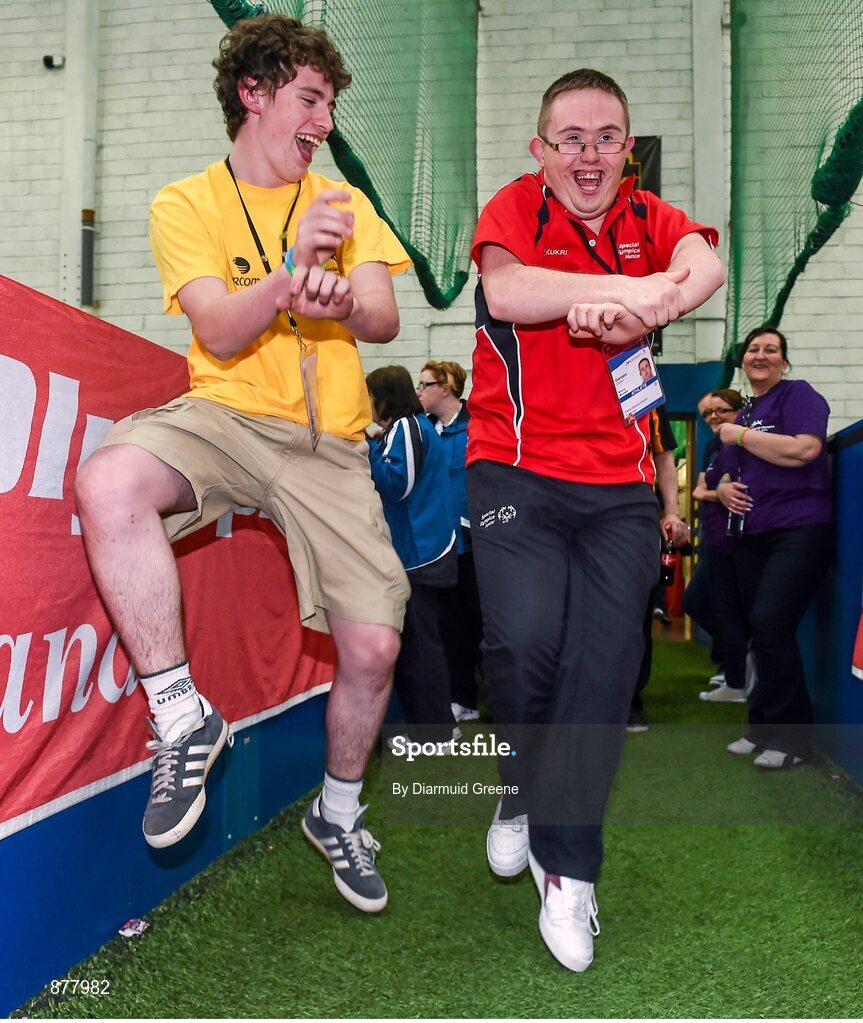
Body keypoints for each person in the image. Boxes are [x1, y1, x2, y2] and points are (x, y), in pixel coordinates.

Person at [73, 15, 412, 914]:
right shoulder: (183, 202)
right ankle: (180, 711)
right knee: (109, 479)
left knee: (375, 647)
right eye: (309, 99)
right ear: (253, 95)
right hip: (225, 416)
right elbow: (219, 327)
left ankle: (337, 813)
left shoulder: (343, 202)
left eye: (330, 105)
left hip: (330, 446)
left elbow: (383, 319)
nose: (323, 123)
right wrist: (288, 278)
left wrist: (336, 295)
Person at [468, 67, 724, 973]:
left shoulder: (650, 221)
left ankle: (569, 868)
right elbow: (506, 292)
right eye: (568, 137)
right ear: (540, 151)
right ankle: (518, 786)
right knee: (523, 645)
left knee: (605, 662)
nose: (587, 153)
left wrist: (652, 297)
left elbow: (705, 262)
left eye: (605, 136)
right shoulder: (513, 209)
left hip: (618, 487)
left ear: (628, 148)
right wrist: (595, 300)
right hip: (514, 468)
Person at [707, 327, 832, 768]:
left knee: (770, 623)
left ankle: (793, 741)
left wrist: (737, 436)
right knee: (761, 631)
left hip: (797, 529)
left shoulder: (797, 395)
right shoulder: (746, 412)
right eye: (753, 350)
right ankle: (763, 729)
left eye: (771, 350)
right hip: (750, 534)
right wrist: (722, 490)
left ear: (784, 361)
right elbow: (719, 476)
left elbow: (804, 450)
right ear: (744, 362)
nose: (761, 355)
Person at [366, 366, 458, 746]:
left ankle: (435, 731)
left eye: (368, 396)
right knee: (420, 646)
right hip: (422, 552)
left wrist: (365, 446)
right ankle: (431, 727)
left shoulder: (407, 427)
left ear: (384, 398)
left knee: (421, 648)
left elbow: (396, 485)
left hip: (421, 555)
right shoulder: (413, 428)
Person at [417, 360, 484, 723]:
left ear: (446, 388)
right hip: (440, 546)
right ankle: (463, 697)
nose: (419, 391)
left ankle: (501, 699)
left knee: (481, 624)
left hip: (480, 544)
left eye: (425, 384)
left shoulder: (478, 426)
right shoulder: (424, 432)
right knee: (450, 625)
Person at [687, 388, 751, 702]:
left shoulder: (743, 443)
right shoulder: (714, 445)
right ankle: (738, 658)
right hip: (713, 536)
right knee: (696, 602)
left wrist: (714, 494)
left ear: (738, 410)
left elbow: (736, 491)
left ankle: (736, 679)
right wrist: (716, 493)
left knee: (727, 610)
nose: (714, 417)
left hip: (732, 538)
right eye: (708, 414)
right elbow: (699, 490)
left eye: (721, 410)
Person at [627, 405, 688, 733]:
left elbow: (664, 456)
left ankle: (630, 700)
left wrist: (671, 512)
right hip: (568, 515)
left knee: (633, 616)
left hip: (632, 515)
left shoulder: (642, 388)